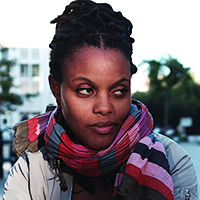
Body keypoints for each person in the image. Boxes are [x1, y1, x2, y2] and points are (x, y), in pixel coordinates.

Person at [3, 0, 198, 199]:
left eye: (119, 91)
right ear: (56, 89)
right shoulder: (32, 171)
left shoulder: (172, 162)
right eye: (86, 90)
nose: (105, 108)